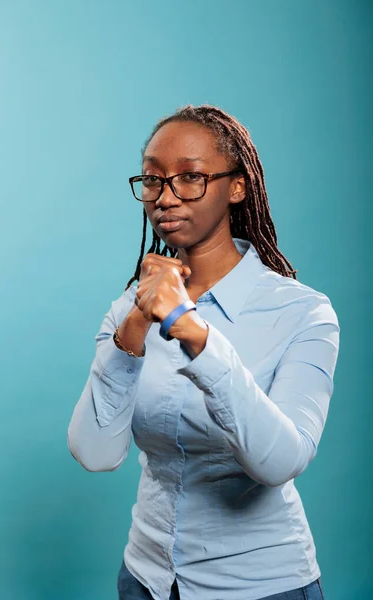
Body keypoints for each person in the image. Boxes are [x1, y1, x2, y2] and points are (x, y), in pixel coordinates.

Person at [67, 104, 339, 600]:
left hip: (259, 586)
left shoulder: (304, 313)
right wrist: (134, 329)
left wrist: (192, 331)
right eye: (152, 179)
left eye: (190, 177)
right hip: (146, 580)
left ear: (237, 187)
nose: (165, 196)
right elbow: (95, 452)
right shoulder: (129, 306)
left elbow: (280, 461)